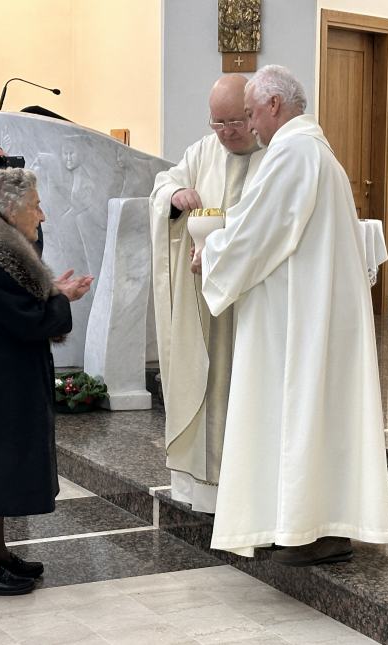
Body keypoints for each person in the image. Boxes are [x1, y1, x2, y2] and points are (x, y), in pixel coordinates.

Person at [194, 65, 388, 564]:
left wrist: (214, 253)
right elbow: (263, 220)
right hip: (306, 314)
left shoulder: (294, 151)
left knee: (302, 414)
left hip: (300, 322)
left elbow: (260, 230)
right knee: (312, 417)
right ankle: (306, 524)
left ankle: (309, 528)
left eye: (251, 114)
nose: (251, 126)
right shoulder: (312, 151)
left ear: (274, 107)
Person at [0, 168, 92, 596]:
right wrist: (60, 300)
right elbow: (24, 320)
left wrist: (51, 291)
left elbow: (11, 305)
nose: (41, 215)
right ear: (10, 209)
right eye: (35, 206)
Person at [149, 75, 266, 513]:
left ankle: (248, 491)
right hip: (206, 306)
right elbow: (163, 186)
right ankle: (205, 491)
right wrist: (176, 196)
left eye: (234, 121)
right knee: (208, 382)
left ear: (253, 114)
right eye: (217, 123)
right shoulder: (203, 151)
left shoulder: (276, 155)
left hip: (254, 303)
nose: (227, 133)